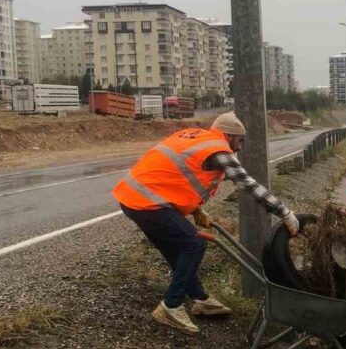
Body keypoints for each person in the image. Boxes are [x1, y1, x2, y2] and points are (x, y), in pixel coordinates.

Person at [112, 112, 300, 335]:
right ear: (229, 136)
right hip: (149, 203)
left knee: (178, 249)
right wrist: (284, 212)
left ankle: (200, 298)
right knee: (193, 245)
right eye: (239, 141)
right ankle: (171, 306)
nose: (239, 147)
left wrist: (196, 210)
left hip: (134, 197)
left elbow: (175, 176)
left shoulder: (195, 136)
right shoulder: (218, 149)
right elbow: (247, 184)